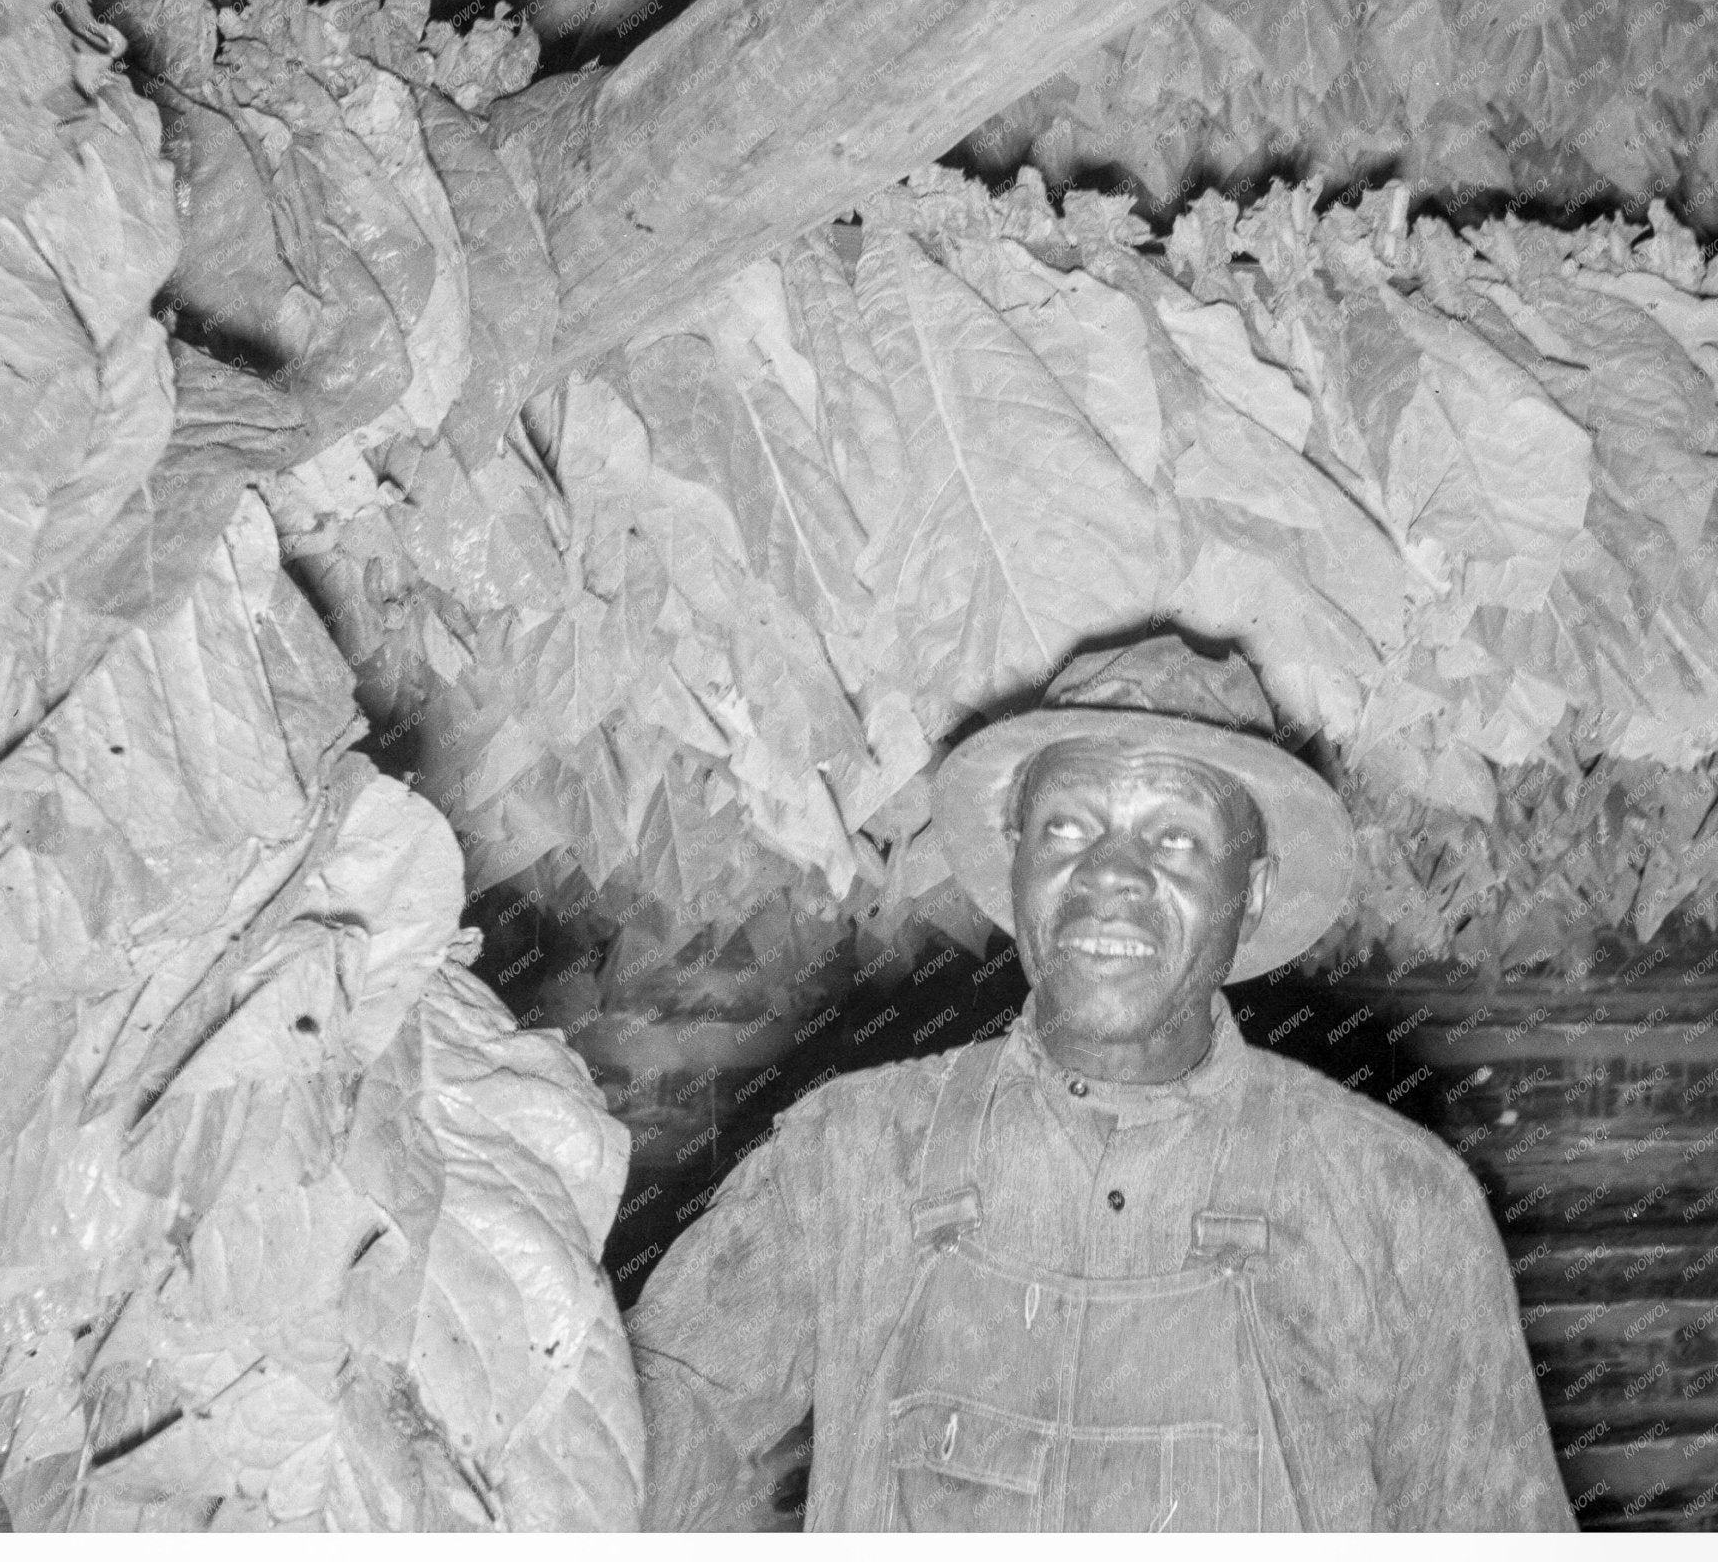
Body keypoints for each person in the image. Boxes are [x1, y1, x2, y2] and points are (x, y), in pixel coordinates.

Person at [626, 637, 1576, 1531]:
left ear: (1248, 894)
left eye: (1174, 840)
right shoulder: (849, 1157)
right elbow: (648, 1430)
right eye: (1068, 825)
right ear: (1017, 863)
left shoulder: (1401, 1207)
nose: (1109, 874)